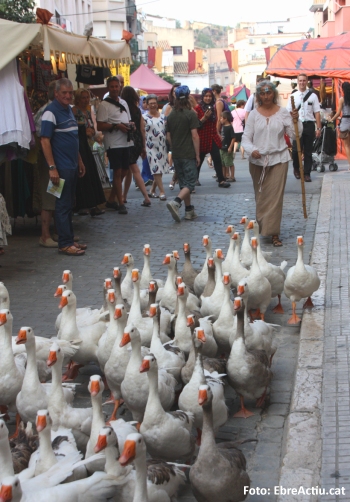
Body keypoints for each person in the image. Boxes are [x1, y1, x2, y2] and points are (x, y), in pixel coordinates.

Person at [241, 80, 301, 247]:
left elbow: (295, 135)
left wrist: (297, 121)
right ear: (258, 96)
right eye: (263, 93)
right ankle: (264, 227)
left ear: (274, 94)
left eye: (269, 93)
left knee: (275, 197)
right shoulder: (253, 114)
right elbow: (246, 137)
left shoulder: (283, 113)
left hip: (279, 159)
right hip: (257, 160)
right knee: (261, 197)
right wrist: (251, 149)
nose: (266, 96)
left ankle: (274, 233)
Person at [41, 78, 87, 256]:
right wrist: (52, 167)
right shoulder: (50, 112)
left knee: (69, 203)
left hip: (72, 165)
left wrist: (80, 160)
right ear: (56, 94)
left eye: (70, 92)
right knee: (62, 204)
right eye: (64, 93)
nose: (68, 96)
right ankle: (65, 243)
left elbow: (72, 139)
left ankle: (69, 238)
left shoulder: (68, 110)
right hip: (60, 167)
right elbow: (45, 140)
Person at [96, 76, 133, 215]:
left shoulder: (124, 102)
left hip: (126, 141)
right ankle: (120, 202)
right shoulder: (104, 105)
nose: (114, 89)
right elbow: (100, 125)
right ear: (108, 88)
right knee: (117, 172)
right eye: (112, 87)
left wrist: (130, 126)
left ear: (120, 87)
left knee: (124, 171)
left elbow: (128, 119)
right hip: (113, 143)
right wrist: (117, 126)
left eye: (116, 86)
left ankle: (111, 199)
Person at [166, 85, 200, 222]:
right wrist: (197, 155)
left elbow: (168, 136)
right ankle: (176, 202)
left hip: (177, 153)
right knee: (191, 183)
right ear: (188, 97)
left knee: (184, 183)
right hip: (188, 153)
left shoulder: (171, 115)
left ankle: (189, 211)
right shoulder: (191, 114)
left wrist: (174, 148)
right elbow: (195, 136)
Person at [72, 88, 106, 217]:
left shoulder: (87, 110)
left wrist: (91, 132)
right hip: (80, 145)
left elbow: (91, 127)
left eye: (87, 97)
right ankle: (83, 205)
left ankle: (93, 203)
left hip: (87, 144)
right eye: (83, 97)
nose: (86, 100)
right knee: (84, 173)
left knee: (91, 172)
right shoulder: (74, 111)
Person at [34, 80, 57, 248]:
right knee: (49, 196)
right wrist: (51, 165)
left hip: (56, 160)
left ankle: (53, 231)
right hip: (49, 160)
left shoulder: (57, 110)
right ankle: (45, 234)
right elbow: (42, 139)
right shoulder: (46, 112)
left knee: (56, 194)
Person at [286, 73, 321, 182]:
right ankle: (296, 167)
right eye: (300, 81)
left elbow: (317, 113)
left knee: (308, 150)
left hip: (309, 124)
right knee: (296, 149)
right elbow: (288, 112)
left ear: (307, 81)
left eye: (304, 80)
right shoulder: (293, 96)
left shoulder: (313, 96)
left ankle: (307, 173)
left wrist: (318, 128)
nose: (302, 83)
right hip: (297, 124)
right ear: (298, 82)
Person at [120, 86, 152, 207]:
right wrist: (143, 146)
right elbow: (142, 129)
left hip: (128, 140)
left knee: (133, 169)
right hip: (138, 140)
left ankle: (146, 196)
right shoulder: (137, 110)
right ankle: (124, 196)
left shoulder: (123, 110)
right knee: (130, 169)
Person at [194, 88, 230, 188]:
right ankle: (195, 179)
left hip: (212, 135)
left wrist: (217, 133)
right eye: (206, 96)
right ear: (202, 97)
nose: (208, 98)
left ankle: (221, 180)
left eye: (210, 96)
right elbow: (195, 125)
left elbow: (215, 122)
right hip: (201, 137)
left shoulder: (213, 108)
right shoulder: (197, 108)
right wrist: (204, 118)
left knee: (217, 158)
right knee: (199, 159)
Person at [144, 94, 169, 200]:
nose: (153, 105)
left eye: (154, 103)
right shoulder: (144, 117)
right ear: (147, 105)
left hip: (162, 146)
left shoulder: (163, 116)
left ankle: (152, 190)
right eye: (150, 103)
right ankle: (162, 192)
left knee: (160, 168)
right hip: (150, 146)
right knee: (156, 168)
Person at [330, 82, 350, 171]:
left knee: (347, 146)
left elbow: (338, 113)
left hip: (345, 123)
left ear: (343, 89)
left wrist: (331, 119)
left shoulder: (342, 99)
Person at [219, 111, 235, 181]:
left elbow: (233, 138)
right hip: (221, 147)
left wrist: (230, 147)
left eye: (221, 118)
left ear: (225, 119)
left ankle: (232, 176)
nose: (220, 119)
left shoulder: (230, 127)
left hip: (227, 148)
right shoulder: (222, 127)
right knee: (223, 163)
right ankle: (224, 176)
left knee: (229, 163)